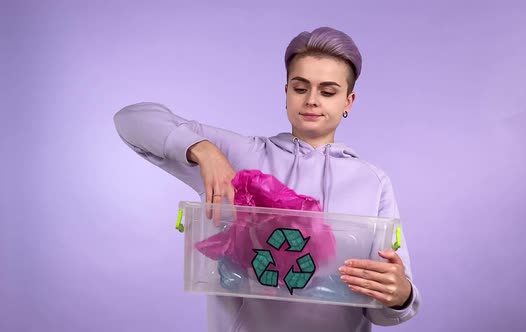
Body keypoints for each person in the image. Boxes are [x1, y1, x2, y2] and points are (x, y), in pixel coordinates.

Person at [114, 26, 420, 331]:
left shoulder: (372, 182)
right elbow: (132, 119)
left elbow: (383, 309)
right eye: (300, 88)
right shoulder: (241, 155)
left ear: (348, 102)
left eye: (327, 92)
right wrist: (202, 150)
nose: (312, 100)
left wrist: (400, 294)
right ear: (285, 92)